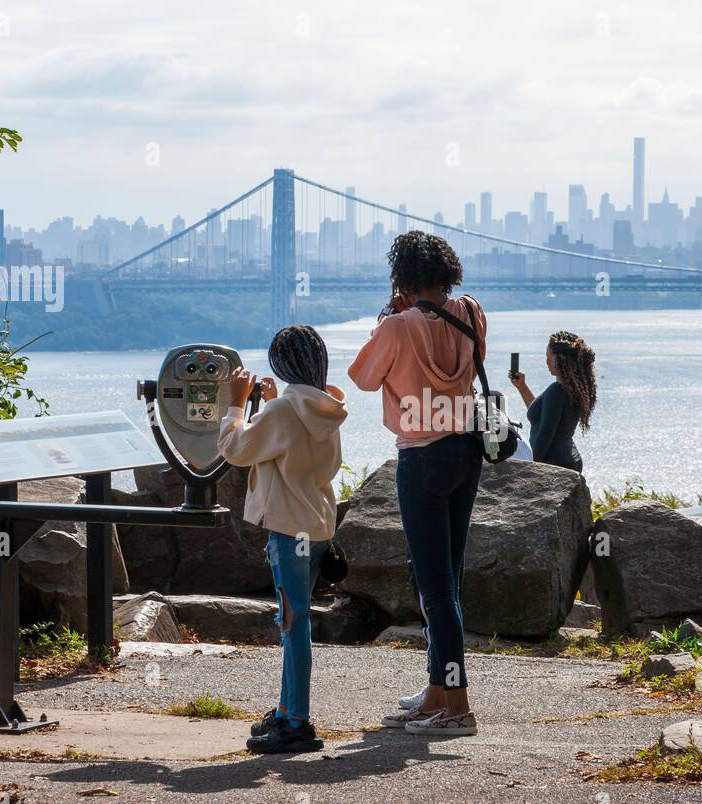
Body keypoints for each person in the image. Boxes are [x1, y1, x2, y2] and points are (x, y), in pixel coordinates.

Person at [348, 230, 483, 737]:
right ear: (448, 272)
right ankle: (435, 692)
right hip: (466, 452)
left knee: (435, 587)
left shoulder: (398, 326)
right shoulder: (470, 311)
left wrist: (388, 319)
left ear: (401, 278)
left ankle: (459, 708)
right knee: (448, 577)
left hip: (421, 457)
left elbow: (362, 378)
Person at [217, 325, 347, 754]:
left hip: (289, 532)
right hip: (319, 527)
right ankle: (287, 708)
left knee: (293, 626)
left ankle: (296, 722)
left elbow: (236, 449)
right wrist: (273, 404)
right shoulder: (325, 407)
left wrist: (236, 404)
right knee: (297, 622)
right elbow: (299, 444)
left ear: (281, 364)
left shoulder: (284, 411)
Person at [507, 330, 596, 472]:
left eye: (548, 356)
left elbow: (545, 434)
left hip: (555, 464)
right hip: (567, 460)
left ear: (558, 359)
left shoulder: (557, 391)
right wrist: (522, 387)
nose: (546, 361)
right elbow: (543, 414)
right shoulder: (571, 389)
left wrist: (533, 467)